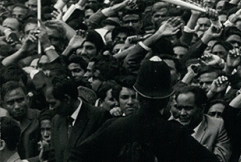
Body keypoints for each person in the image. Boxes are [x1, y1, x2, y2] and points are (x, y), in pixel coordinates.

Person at [69, 56, 219, 162]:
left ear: (138, 95)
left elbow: (77, 157)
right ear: (168, 97)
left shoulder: (115, 126)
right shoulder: (175, 133)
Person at [47, 76, 110, 162]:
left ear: (67, 99)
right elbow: (53, 156)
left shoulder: (98, 116)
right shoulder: (56, 120)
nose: (50, 108)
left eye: (53, 104)